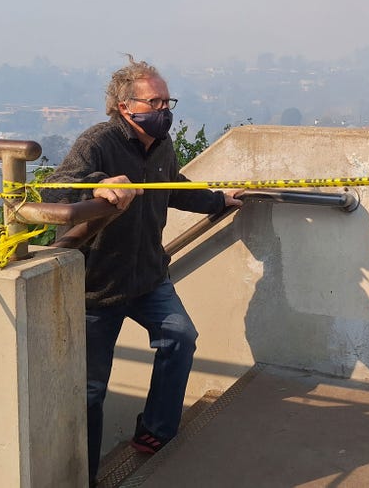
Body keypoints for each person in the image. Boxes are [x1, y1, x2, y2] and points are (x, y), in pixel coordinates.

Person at [42, 56, 243, 486]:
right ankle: (86, 475)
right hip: (96, 288)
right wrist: (96, 183)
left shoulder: (162, 146)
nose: (164, 110)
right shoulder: (98, 142)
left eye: (167, 101)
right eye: (154, 102)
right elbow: (53, 187)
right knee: (92, 392)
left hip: (149, 277)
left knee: (180, 337)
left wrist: (218, 200)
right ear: (124, 106)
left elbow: (173, 186)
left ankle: (155, 430)